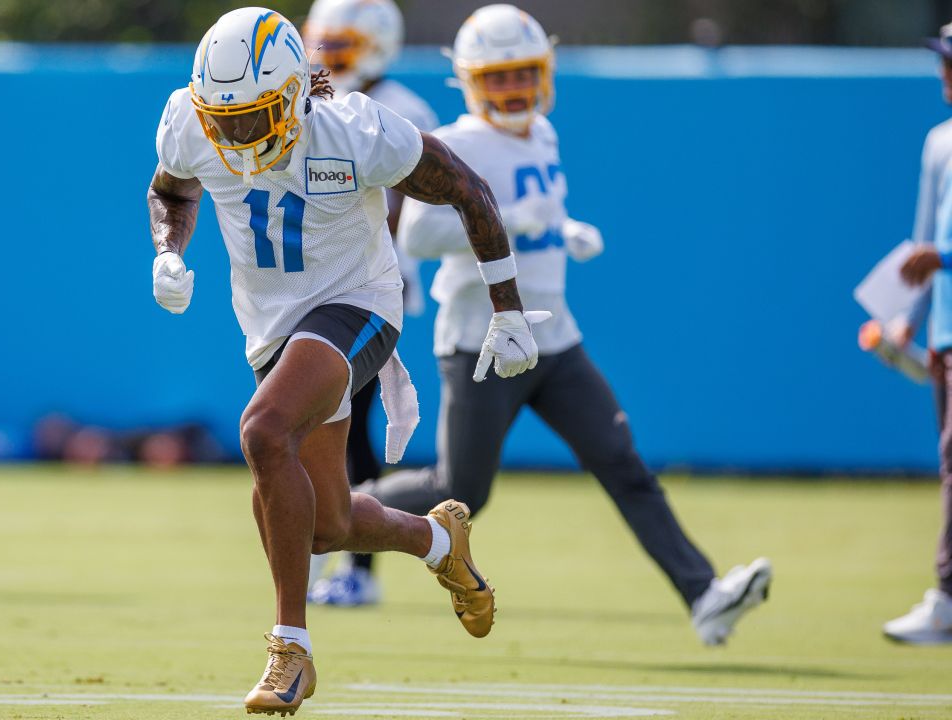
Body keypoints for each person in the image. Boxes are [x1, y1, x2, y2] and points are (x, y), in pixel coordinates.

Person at [150, 7, 548, 714]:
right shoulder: (189, 117)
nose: (237, 135)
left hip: (359, 303)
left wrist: (507, 308)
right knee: (327, 523)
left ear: (296, 97)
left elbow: (466, 189)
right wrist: (168, 249)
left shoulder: (359, 129)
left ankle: (289, 651)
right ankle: (435, 539)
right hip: (270, 326)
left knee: (263, 431)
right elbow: (171, 189)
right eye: (225, 119)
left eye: (254, 117)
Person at [337, 4, 772, 647]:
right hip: (481, 341)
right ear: (472, 81)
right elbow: (419, 233)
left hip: (554, 336)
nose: (514, 89)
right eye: (500, 76)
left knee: (621, 461)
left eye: (523, 74)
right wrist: (523, 216)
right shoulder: (458, 141)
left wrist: (563, 228)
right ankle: (329, 511)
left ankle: (704, 594)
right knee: (459, 490)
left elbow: (538, 211)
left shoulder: (543, 133)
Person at [300, 0, 440, 607]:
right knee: (315, 423)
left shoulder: (401, 111)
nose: (329, 58)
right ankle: (327, 548)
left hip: (369, 290)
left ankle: (355, 563)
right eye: (322, 44)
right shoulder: (305, 103)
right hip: (311, 288)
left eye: (343, 45)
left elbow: (397, 212)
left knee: (346, 429)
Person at [884, 20, 952, 645]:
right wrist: (909, 315)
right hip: (947, 332)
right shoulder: (938, 142)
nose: (945, 73)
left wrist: (943, 260)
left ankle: (946, 596)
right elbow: (923, 240)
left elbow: (939, 251)